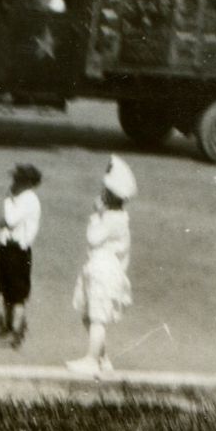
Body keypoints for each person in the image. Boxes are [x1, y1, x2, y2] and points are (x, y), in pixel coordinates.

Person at [69, 155, 137, 376]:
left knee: (97, 318)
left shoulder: (112, 219)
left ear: (110, 195)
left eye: (105, 191)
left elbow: (93, 237)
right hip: (99, 268)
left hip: (103, 270)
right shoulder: (117, 216)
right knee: (90, 316)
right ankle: (102, 358)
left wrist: (96, 216)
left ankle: (91, 360)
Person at [0, 164, 44, 348]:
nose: (13, 183)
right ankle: (7, 325)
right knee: (5, 288)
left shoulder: (28, 199)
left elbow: (9, 220)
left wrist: (7, 200)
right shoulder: (19, 197)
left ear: (27, 183)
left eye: (17, 180)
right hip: (7, 247)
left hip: (18, 250)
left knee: (16, 291)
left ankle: (15, 331)